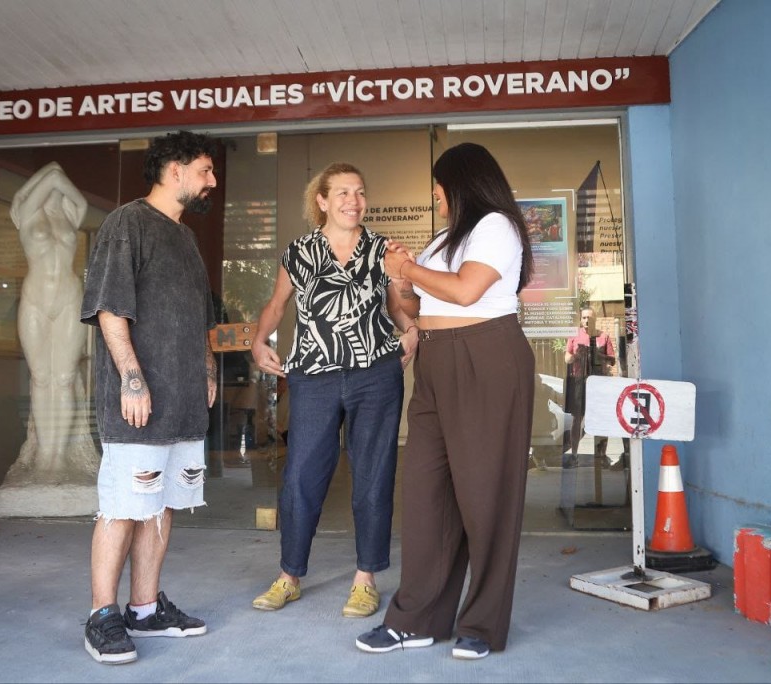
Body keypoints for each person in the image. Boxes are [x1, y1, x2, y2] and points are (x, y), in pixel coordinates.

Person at [355, 142, 535, 660]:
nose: (437, 200)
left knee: (486, 495)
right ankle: (416, 619)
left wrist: (411, 271)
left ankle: (481, 623)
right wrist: (398, 274)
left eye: (439, 190)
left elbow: (465, 291)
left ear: (461, 183)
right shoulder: (444, 239)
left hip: (486, 355)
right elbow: (415, 304)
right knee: (425, 492)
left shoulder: (496, 226)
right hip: (436, 361)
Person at [249, 162, 419, 619]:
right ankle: (290, 575)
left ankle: (366, 579)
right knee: (302, 475)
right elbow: (277, 304)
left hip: (375, 373)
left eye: (360, 192)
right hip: (313, 374)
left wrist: (412, 326)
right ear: (321, 200)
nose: (353, 200)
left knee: (373, 474)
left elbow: (401, 305)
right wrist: (257, 341)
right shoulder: (299, 252)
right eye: (342, 192)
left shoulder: (384, 249)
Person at [79, 130, 220, 665]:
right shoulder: (127, 224)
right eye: (205, 170)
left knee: (160, 505)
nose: (212, 181)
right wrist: (132, 379)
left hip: (182, 404)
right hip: (141, 402)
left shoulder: (184, 237)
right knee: (123, 504)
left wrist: (206, 370)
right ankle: (101, 615)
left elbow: (200, 320)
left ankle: (143, 608)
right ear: (175, 171)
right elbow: (111, 309)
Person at [11, 161, 89, 473]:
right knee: (41, 379)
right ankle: (45, 453)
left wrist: (50, 176)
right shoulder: (28, 214)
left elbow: (60, 178)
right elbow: (56, 173)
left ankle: (59, 455)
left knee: (65, 379)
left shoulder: (71, 215)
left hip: (70, 298)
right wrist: (39, 183)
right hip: (35, 300)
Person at [563, 306, 618, 468]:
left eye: (590, 318)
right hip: (579, 380)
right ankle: (574, 455)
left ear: (595, 319)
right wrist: (576, 356)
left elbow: (612, 360)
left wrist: (598, 355)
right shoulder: (574, 335)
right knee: (576, 419)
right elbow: (567, 358)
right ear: (581, 319)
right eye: (585, 317)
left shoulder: (603, 336)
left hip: (599, 382)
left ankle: (601, 456)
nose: (587, 320)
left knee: (601, 419)